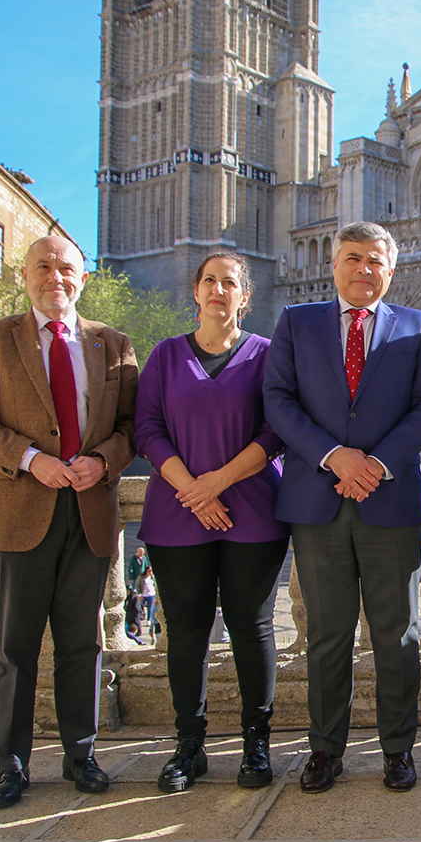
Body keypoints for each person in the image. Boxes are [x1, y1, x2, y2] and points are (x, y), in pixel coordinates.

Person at [0, 234, 138, 809]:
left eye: (66, 268)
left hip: (89, 512)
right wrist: (33, 460)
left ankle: (81, 755)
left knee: (83, 643)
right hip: (18, 509)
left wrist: (102, 460)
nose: (55, 277)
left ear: (82, 278)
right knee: (15, 648)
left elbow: (135, 428)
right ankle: (10, 765)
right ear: (24, 275)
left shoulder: (113, 345)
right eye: (43, 267)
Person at [263, 221, 421, 794]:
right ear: (333, 263)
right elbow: (278, 399)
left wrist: (377, 464)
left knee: (399, 633)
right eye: (352, 258)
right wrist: (335, 456)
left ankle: (398, 749)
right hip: (317, 500)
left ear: (391, 270)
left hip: (389, 501)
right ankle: (325, 750)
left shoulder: (418, 328)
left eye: (375, 260)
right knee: (326, 635)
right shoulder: (296, 322)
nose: (363, 269)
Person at [135, 252, 290, 793]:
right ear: (195, 292)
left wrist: (216, 483)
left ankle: (256, 744)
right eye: (209, 281)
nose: (219, 290)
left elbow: (276, 431)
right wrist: (193, 491)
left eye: (230, 283)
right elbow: (148, 430)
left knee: (253, 628)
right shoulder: (165, 356)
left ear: (245, 296)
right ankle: (188, 747)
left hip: (253, 511)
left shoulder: (270, 355)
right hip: (178, 513)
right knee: (187, 631)